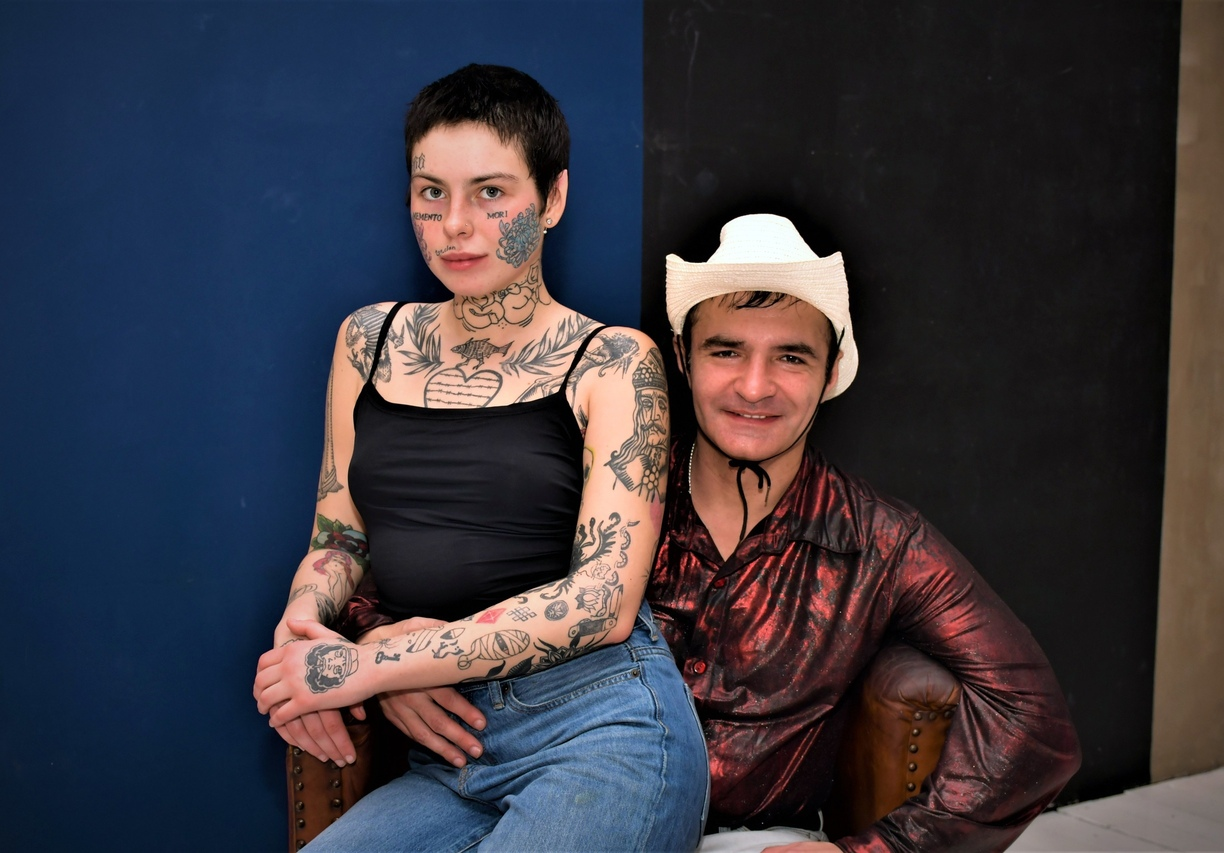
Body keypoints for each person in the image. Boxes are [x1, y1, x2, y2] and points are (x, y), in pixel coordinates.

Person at [336, 212, 1082, 852]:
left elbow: (1034, 717)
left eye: (791, 357)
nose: (754, 387)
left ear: (829, 374)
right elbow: (425, 565)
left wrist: (881, 850)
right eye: (726, 350)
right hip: (538, 792)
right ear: (684, 360)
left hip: (747, 837)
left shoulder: (879, 541)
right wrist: (386, 650)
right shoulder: (606, 492)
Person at [252, 64, 708, 852]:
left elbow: (601, 602)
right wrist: (301, 631)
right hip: (454, 750)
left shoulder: (614, 361)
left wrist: (375, 666)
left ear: (552, 199)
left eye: (491, 193)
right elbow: (341, 538)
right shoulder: (368, 341)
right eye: (431, 194)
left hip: (602, 728)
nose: (455, 224)